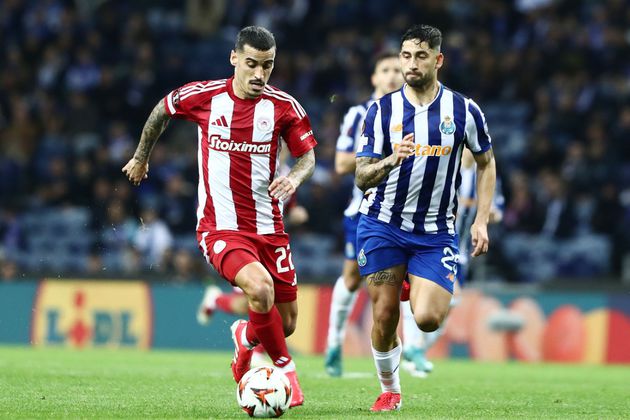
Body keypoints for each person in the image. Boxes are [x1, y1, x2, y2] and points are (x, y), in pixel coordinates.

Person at [122, 26, 316, 408]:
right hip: (220, 227)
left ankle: (246, 337)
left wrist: (294, 178)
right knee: (260, 290)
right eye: (252, 64)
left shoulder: (284, 107)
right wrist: (141, 156)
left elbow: (307, 156)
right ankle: (286, 370)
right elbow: (162, 110)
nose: (259, 73)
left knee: (287, 323)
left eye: (267, 65)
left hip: (270, 228)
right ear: (234, 58)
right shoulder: (205, 96)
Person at [354, 24, 496, 411]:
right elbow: (361, 176)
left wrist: (481, 220)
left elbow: (486, 162)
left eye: (420, 56)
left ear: (438, 59)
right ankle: (390, 389)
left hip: (435, 232)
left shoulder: (464, 110)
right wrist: (390, 160)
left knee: (429, 319)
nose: (411, 64)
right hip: (382, 224)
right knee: (385, 314)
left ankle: (409, 280)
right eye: (406, 56)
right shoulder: (381, 111)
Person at [324, 52, 426, 378]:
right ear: (374, 78)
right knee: (353, 278)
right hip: (365, 211)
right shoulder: (360, 114)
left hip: (409, 210)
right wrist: (384, 155)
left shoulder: (419, 112)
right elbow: (342, 163)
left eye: (397, 69)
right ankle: (333, 344)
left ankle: (413, 348)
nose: (393, 75)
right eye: (385, 69)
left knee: (409, 278)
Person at [402, 148, 504, 375]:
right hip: (435, 243)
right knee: (432, 294)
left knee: (448, 305)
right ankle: (412, 347)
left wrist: (489, 214)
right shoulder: (444, 166)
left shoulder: (485, 172)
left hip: (462, 252)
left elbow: (497, 209)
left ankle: (416, 350)